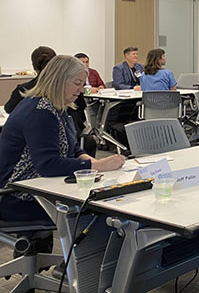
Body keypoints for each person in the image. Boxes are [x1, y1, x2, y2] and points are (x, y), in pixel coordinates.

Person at [0, 55, 125, 224]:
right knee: (102, 209)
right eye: (77, 83)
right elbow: (48, 165)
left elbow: (74, 149)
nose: (81, 90)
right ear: (59, 80)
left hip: (39, 186)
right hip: (17, 195)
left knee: (105, 199)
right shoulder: (40, 111)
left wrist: (94, 165)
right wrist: (99, 165)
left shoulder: (56, 107)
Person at [4, 46, 56, 113]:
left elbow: (8, 109)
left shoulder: (22, 90)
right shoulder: (66, 89)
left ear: (33, 66)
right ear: (56, 63)